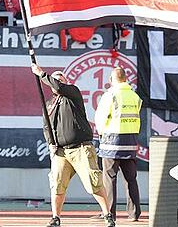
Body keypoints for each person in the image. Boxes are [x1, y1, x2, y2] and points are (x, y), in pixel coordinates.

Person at [30, 63, 116, 227]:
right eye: (55, 79)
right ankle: (56, 218)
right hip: (60, 151)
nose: (57, 81)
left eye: (60, 78)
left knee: (93, 183)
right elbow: (47, 126)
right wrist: (51, 144)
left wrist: (41, 73)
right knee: (57, 184)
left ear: (65, 81)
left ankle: (107, 215)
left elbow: (58, 86)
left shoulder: (73, 92)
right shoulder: (49, 104)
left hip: (81, 148)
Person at [95, 67, 142, 222]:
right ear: (125, 78)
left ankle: (109, 214)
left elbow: (100, 119)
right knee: (131, 179)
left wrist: (102, 133)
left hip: (112, 143)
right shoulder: (134, 96)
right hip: (130, 142)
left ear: (112, 79)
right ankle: (134, 213)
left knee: (109, 179)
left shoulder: (110, 95)